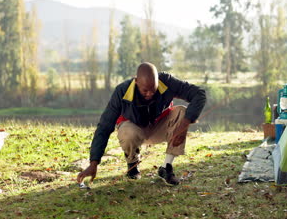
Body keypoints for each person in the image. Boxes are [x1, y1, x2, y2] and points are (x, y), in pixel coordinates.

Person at [76, 62, 206, 185]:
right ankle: (132, 166)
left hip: (159, 127)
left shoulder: (167, 81)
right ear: (136, 81)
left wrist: (183, 126)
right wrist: (94, 163)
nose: (149, 94)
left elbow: (199, 94)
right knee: (127, 132)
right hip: (135, 129)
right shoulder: (121, 91)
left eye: (153, 90)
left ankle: (166, 167)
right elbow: (104, 127)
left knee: (182, 112)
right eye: (145, 91)